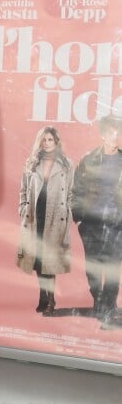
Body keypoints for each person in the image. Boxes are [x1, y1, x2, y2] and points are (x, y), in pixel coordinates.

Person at [17, 126, 74, 314]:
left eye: (50, 140)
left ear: (56, 142)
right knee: (39, 260)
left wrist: (68, 212)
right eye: (44, 140)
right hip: (35, 215)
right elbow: (23, 189)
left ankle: (50, 301)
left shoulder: (66, 165)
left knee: (49, 259)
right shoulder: (32, 163)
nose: (47, 143)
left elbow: (72, 193)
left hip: (56, 218)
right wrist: (23, 207)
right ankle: (44, 297)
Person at [72, 115, 122, 328]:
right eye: (112, 132)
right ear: (103, 134)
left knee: (112, 268)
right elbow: (77, 189)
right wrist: (78, 218)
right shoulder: (89, 159)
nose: (116, 136)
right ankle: (99, 301)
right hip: (91, 223)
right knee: (93, 268)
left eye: (118, 132)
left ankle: (108, 309)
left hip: (117, 223)